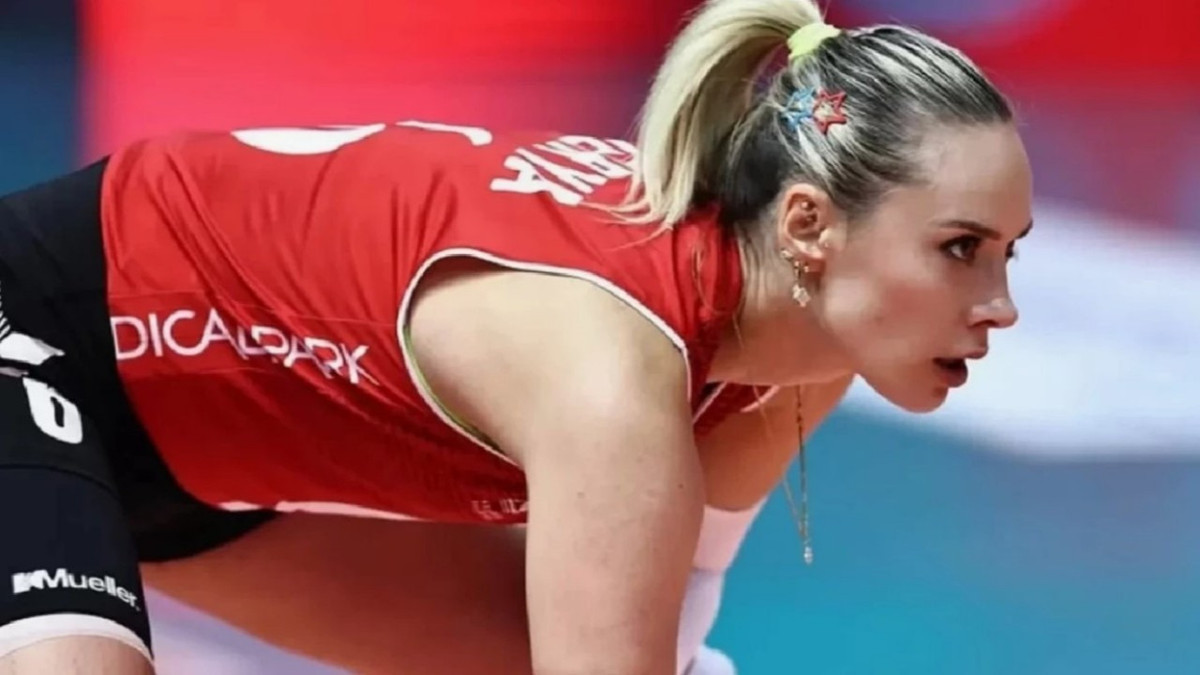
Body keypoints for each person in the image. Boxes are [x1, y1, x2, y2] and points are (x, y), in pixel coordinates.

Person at [0, 0, 1032, 671]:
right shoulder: (612, 382)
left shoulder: (799, 350)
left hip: (183, 456)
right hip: (34, 332)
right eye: (959, 248)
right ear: (808, 226)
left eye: (1007, 251)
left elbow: (668, 618)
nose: (1001, 303)